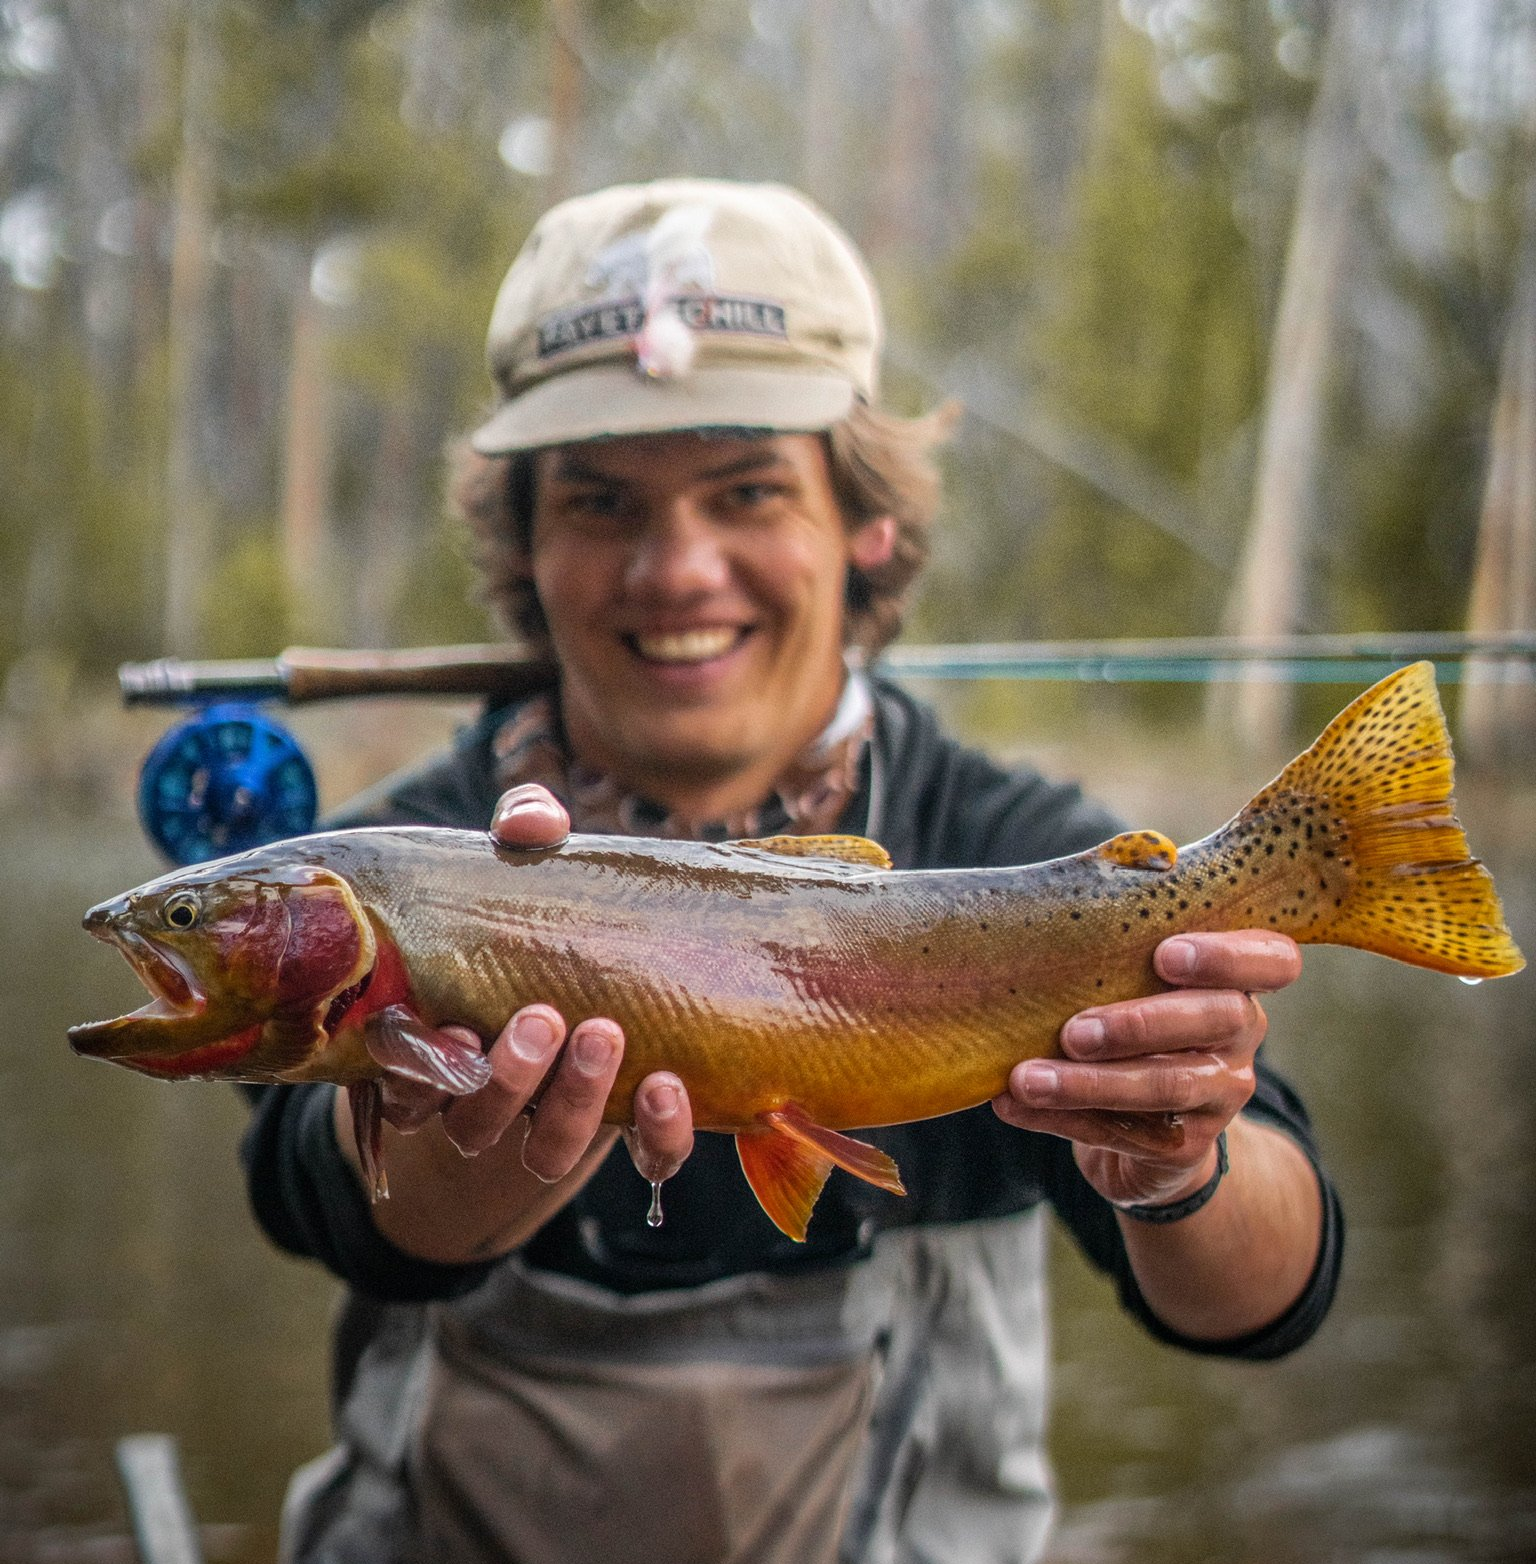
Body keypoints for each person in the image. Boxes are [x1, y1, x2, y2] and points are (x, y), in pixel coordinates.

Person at [243, 179, 1342, 1564]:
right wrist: (457, 1164)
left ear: (864, 524)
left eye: (747, 490)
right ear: (525, 544)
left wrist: (1180, 1163)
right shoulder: (408, 863)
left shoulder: (1018, 852)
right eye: (600, 502)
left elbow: (1267, 1297)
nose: (676, 569)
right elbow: (301, 1190)